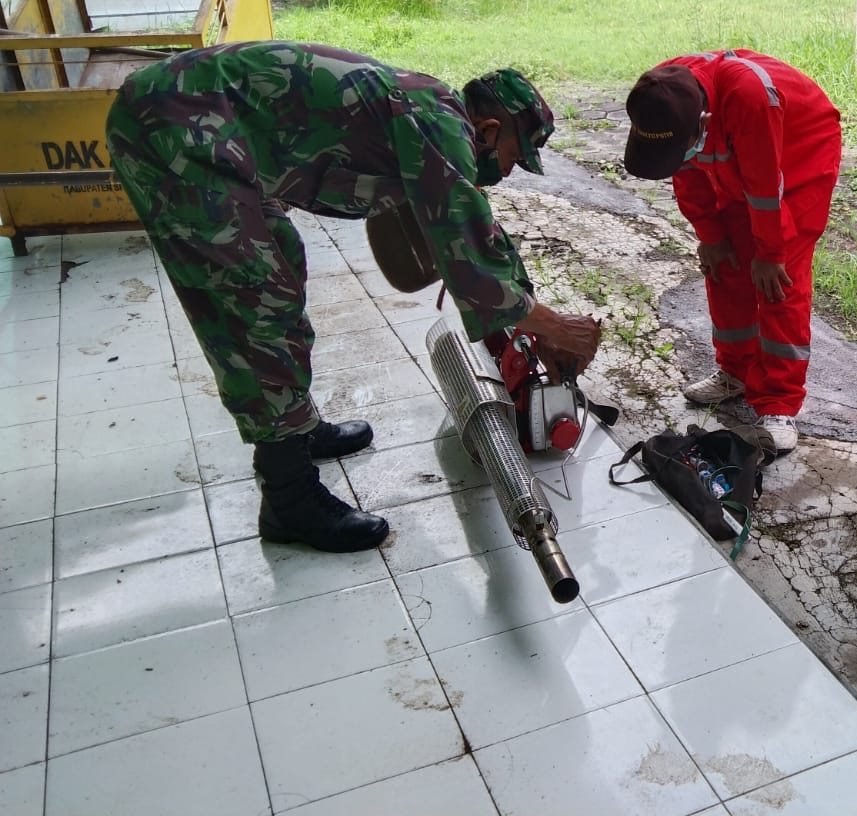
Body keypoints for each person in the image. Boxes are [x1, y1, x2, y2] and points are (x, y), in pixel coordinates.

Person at [106, 42, 602, 553]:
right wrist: (559, 328)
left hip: (201, 121)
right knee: (254, 301)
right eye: (515, 159)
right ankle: (288, 496)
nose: (507, 172)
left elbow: (480, 239)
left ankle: (296, 427)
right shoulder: (442, 130)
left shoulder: (434, 112)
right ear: (491, 130)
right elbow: (473, 267)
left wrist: (529, 313)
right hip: (176, 128)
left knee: (280, 257)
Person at [622, 51, 842, 455]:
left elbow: (765, 187)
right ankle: (735, 373)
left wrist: (771, 253)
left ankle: (778, 403)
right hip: (744, 165)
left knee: (778, 283)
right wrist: (711, 236)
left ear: (702, 125)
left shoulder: (751, 98)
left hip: (798, 159)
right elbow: (686, 173)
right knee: (724, 265)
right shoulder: (665, 95)